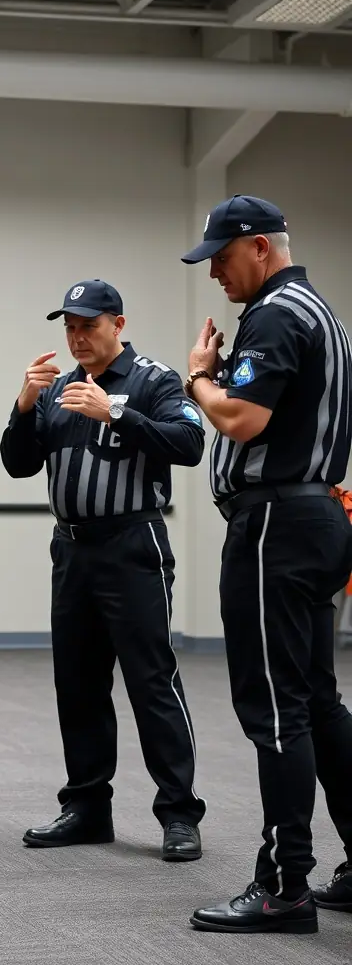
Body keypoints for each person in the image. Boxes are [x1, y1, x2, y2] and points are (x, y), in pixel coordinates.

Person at [181, 195, 352, 934]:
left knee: (277, 708)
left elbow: (242, 419)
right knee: (316, 698)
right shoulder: (325, 314)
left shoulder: (278, 314)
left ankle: (285, 885)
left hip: (274, 527)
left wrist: (198, 378)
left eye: (221, 257)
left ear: (258, 247)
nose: (215, 272)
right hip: (318, 518)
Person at [0, 279, 207, 860]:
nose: (76, 337)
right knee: (79, 684)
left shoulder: (154, 379)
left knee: (151, 679)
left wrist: (114, 411)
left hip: (131, 545)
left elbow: (189, 442)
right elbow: (18, 464)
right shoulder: (58, 388)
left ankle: (179, 812)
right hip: (71, 551)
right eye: (68, 327)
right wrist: (21, 405)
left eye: (87, 325)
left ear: (118, 323)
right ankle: (87, 808)